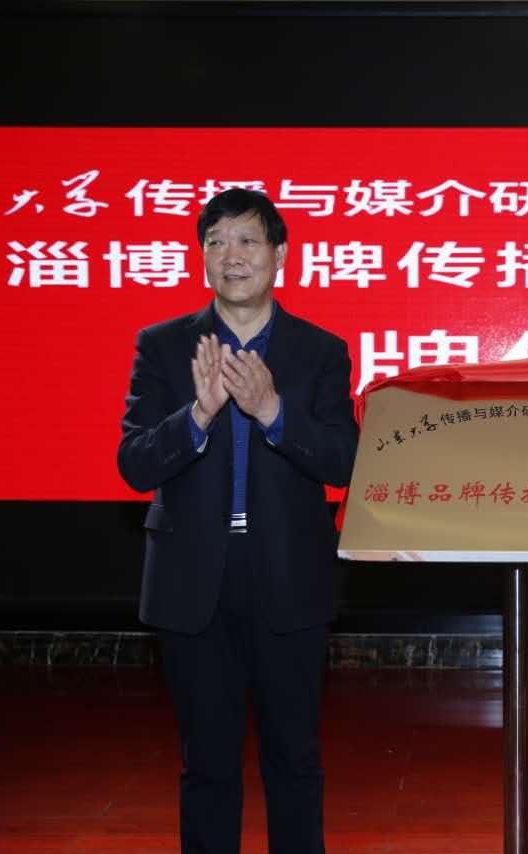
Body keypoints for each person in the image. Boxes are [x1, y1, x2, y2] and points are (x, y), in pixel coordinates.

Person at [117, 188, 358, 854]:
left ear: (280, 254)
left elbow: (344, 461)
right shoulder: (164, 346)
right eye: (216, 242)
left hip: (289, 576)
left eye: (248, 241)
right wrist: (198, 414)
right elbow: (135, 464)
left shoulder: (320, 350)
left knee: (294, 760)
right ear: (202, 257)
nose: (232, 256)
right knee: (207, 765)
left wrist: (273, 411)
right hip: (193, 579)